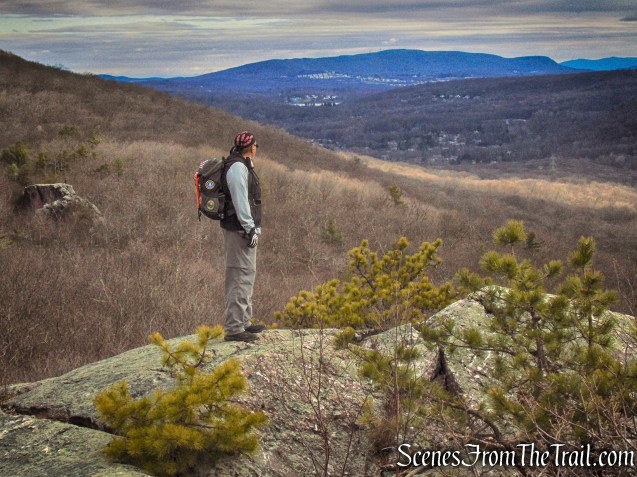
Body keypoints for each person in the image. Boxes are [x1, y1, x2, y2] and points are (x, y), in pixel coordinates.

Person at [221, 131, 264, 342]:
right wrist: (249, 228)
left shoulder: (242, 164)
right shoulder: (237, 167)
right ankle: (234, 327)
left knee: (246, 275)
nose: (256, 148)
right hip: (240, 231)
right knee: (240, 275)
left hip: (243, 230)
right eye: (256, 145)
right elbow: (240, 201)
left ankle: (244, 321)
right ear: (252, 147)